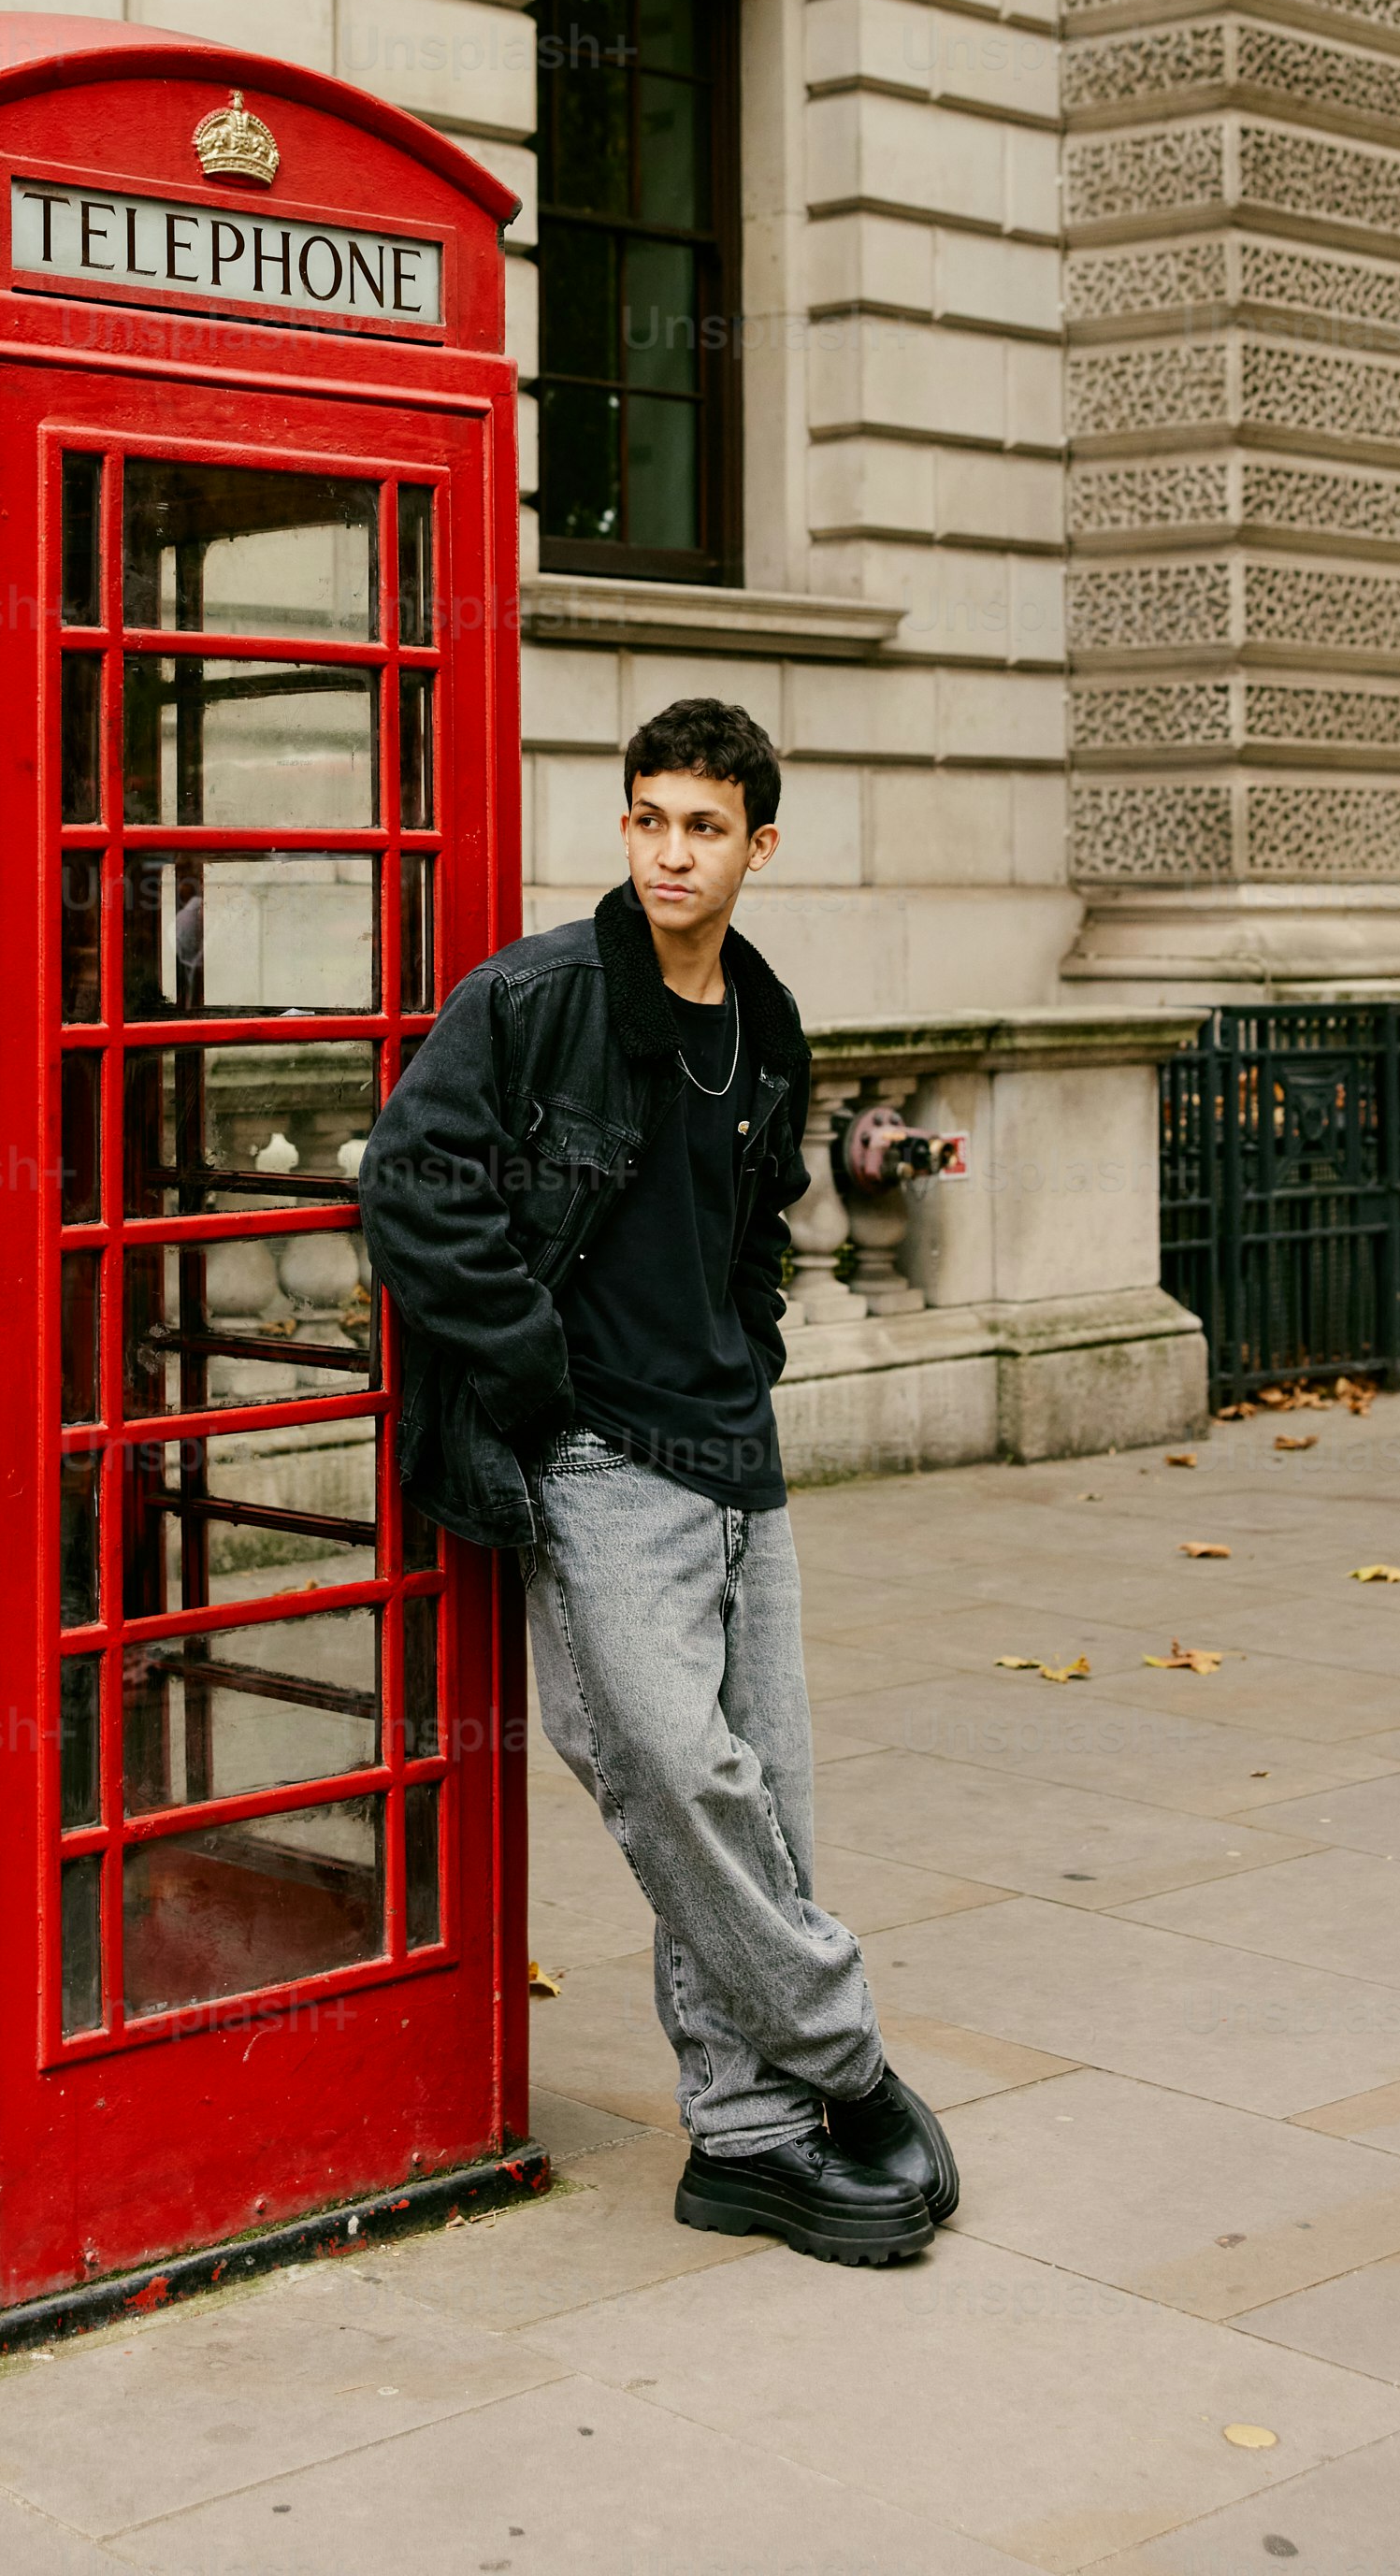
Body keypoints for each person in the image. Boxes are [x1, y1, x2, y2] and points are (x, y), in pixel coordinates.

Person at [357, 695, 957, 2267]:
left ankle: (747, 2145)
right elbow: (409, 1188)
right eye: (648, 820)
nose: (670, 852)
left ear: (759, 845)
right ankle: (844, 2062)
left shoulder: (763, 1019)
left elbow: (752, 1224)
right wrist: (539, 1372)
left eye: (703, 827)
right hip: (599, 1455)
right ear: (622, 827)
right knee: (675, 1776)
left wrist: (748, 1355)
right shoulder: (541, 999)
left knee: (767, 1804)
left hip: (735, 1458)